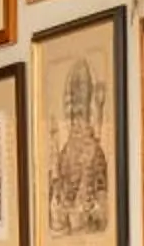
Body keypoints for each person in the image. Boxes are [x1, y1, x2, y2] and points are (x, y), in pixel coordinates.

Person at [46, 59, 110, 235]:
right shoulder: (64, 155)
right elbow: (55, 217)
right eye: (72, 112)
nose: (76, 120)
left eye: (80, 111)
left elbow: (103, 206)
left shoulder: (95, 153)